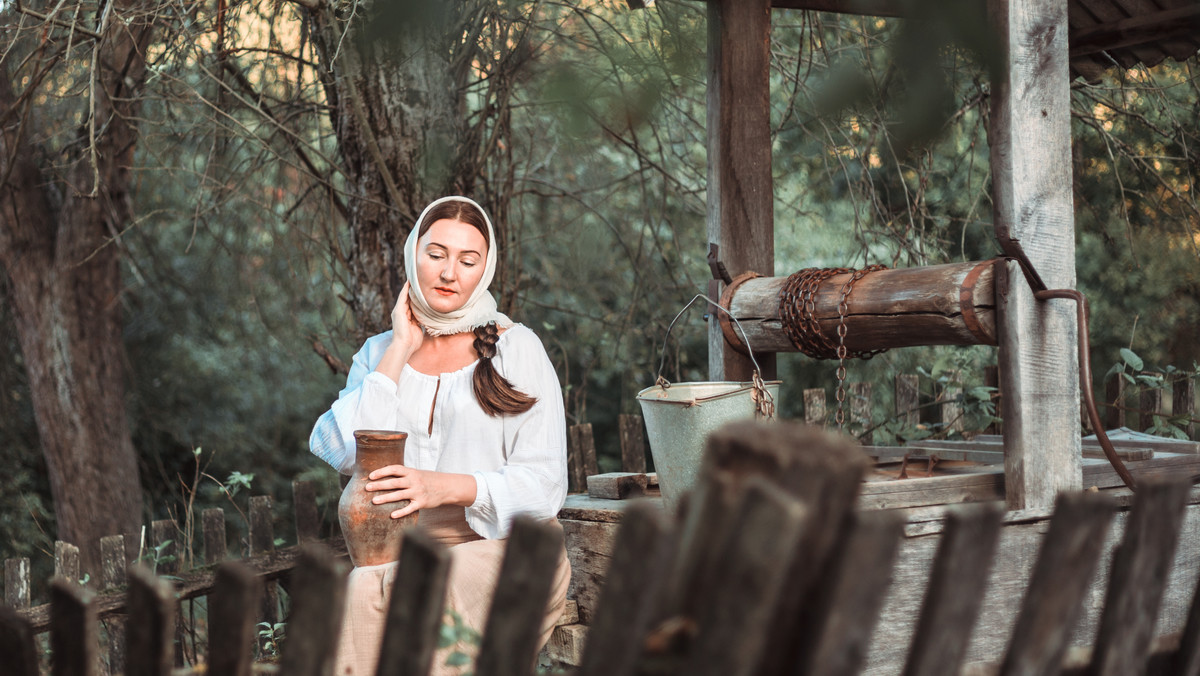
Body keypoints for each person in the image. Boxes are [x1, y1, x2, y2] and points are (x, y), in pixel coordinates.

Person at [308, 196, 570, 676]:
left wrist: (440, 486)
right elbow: (343, 450)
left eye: (468, 261)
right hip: (405, 555)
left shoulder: (516, 348)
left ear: (484, 270)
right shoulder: (379, 352)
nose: (450, 273)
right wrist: (401, 349)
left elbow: (546, 484)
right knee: (364, 589)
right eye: (436, 254)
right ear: (413, 256)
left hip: (510, 550)